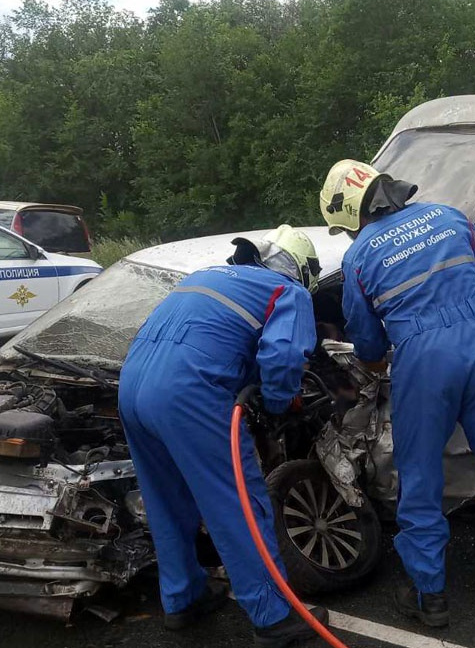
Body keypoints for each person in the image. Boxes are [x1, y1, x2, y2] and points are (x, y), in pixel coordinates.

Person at [320, 159, 475, 630]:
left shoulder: (359, 255)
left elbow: (367, 343)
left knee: (421, 484)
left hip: (422, 360)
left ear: (350, 216)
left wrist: (384, 360)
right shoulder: (448, 217)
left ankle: (432, 599)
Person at [118, 225, 328, 647]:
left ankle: (183, 598)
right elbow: (284, 355)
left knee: (165, 499)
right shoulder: (288, 292)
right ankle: (274, 617)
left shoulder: (201, 276)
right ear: (300, 270)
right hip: (187, 394)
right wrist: (276, 401)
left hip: (131, 387)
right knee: (236, 503)